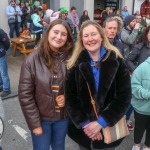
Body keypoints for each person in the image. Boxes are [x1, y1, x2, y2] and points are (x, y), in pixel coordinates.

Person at [65, 20, 131, 150]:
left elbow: (124, 97)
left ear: (101, 36)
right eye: (86, 36)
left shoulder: (117, 60)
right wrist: (86, 125)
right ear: (81, 40)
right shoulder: (74, 64)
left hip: (109, 130)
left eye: (93, 34)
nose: (90, 39)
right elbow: (70, 98)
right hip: (84, 132)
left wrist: (101, 122)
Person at [18, 19, 73, 150]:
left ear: (68, 38)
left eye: (63, 34)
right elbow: (25, 95)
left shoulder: (70, 58)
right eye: (56, 32)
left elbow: (76, 86)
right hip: (41, 120)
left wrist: (67, 97)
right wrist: (35, 124)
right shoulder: (32, 60)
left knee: (59, 147)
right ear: (48, 32)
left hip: (62, 118)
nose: (59, 37)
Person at [131, 57, 150, 150]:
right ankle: (136, 145)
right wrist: (147, 94)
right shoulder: (143, 67)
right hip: (141, 109)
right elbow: (134, 86)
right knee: (139, 128)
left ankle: (147, 146)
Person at [0, 28, 11, 97]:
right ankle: (1, 86)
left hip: (0, 55)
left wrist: (3, 50)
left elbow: (6, 41)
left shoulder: (0, 31)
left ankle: (7, 89)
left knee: (4, 73)